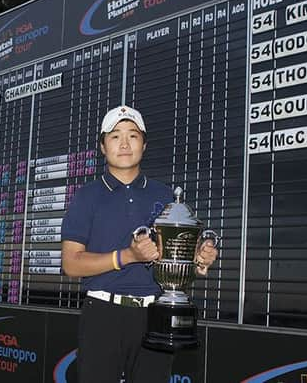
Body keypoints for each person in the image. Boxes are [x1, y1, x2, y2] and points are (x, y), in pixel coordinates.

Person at [61, 105, 218, 383]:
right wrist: (127, 256)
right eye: (114, 136)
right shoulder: (87, 196)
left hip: (155, 315)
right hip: (102, 314)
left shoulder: (166, 195)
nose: (124, 143)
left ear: (144, 144)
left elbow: (175, 261)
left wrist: (198, 260)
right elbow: (71, 263)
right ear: (102, 146)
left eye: (132, 136)